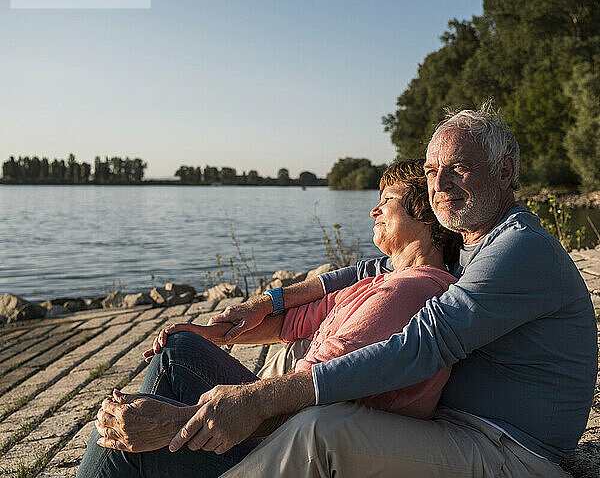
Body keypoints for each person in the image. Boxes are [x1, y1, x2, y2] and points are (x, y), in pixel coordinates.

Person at [167, 103, 596, 477]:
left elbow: (423, 344)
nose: (439, 185)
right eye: (431, 171)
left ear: (505, 172)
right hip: (454, 428)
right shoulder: (469, 245)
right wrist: (266, 302)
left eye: (458, 168)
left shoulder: (520, 248)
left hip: (510, 452)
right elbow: (367, 270)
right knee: (291, 401)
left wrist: (260, 400)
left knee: (319, 433)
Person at [78, 159, 460, 477]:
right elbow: (289, 323)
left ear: (425, 215)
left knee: (121, 441)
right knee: (178, 349)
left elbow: (307, 393)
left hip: (294, 448)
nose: (373, 209)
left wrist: (174, 421)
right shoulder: (383, 280)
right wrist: (209, 334)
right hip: (286, 420)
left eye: (387, 200)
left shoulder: (409, 291)